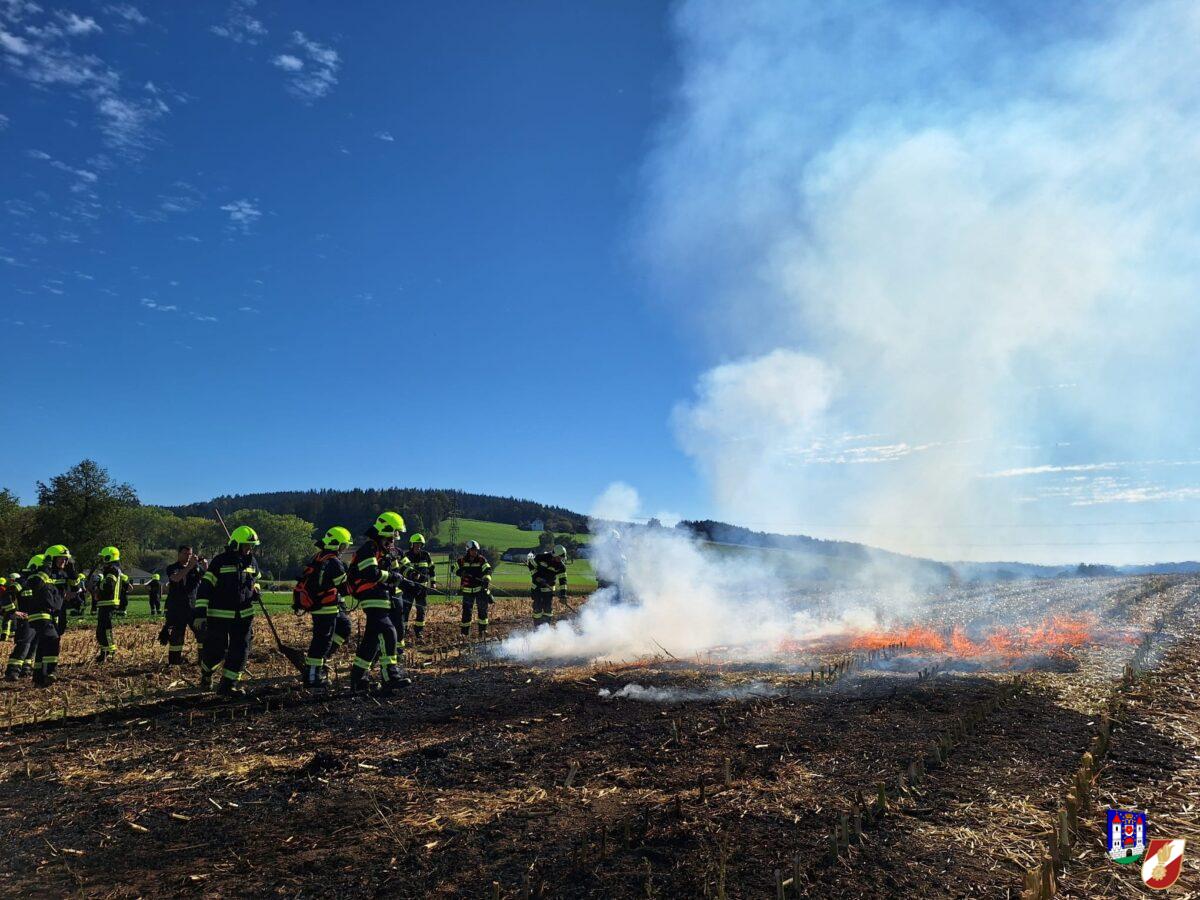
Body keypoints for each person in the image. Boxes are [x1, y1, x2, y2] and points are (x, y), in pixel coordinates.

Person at [345, 512, 409, 694]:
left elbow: (392, 572)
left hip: (380, 595)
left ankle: (359, 679)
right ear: (384, 531)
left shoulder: (382, 550)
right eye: (393, 534)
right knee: (389, 631)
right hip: (371, 595)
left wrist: (406, 581)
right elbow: (371, 573)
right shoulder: (368, 549)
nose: (394, 539)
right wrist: (392, 576)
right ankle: (390, 676)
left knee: (371, 640)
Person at [195, 526, 263, 696]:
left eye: (251, 546)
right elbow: (205, 588)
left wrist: (256, 590)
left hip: (244, 616)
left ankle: (228, 685)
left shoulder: (252, 562)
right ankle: (207, 672)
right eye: (247, 546)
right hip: (219, 616)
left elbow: (255, 581)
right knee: (216, 651)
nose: (250, 549)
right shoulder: (220, 561)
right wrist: (200, 614)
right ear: (235, 544)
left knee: (241, 650)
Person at [293, 526, 353, 689]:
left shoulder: (319, 557)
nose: (344, 549)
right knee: (322, 642)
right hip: (325, 607)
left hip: (322, 605)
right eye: (344, 546)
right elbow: (345, 589)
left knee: (344, 626)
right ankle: (313, 676)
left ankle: (321, 661)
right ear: (337, 545)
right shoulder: (333, 562)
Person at [25, 548, 68, 686]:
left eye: (66, 559)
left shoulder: (49, 578)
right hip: (41, 614)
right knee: (52, 639)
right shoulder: (37, 576)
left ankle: (38, 677)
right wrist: (45, 570)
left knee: (43, 645)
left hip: (45, 614)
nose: (64, 561)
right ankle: (51, 671)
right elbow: (37, 586)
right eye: (62, 558)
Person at [162, 546, 203, 665]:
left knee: (202, 632)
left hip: (192, 607)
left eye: (190, 554)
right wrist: (190, 566)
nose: (188, 556)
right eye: (185, 554)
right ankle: (175, 662)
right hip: (177, 608)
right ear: (179, 554)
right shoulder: (172, 568)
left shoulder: (196, 568)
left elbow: (207, 578)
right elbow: (176, 578)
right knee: (176, 635)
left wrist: (202, 566)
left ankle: (203, 660)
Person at [3, 557, 41, 680]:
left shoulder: (39, 582)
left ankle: (26, 668)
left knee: (34, 645)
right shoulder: (22, 581)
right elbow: (6, 595)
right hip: (25, 620)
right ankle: (12, 671)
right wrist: (13, 611)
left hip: (37, 619)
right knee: (24, 645)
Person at [397, 533, 436, 645]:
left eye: (419, 544)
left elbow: (432, 570)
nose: (417, 546)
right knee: (405, 610)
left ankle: (419, 632)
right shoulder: (406, 556)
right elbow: (402, 570)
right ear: (412, 544)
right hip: (408, 587)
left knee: (421, 611)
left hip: (422, 588)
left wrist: (433, 582)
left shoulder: (426, 555)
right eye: (416, 544)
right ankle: (403, 631)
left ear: (422, 545)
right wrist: (411, 575)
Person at [94, 546, 127, 663]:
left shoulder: (112, 569)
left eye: (103, 557)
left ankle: (110, 653)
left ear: (109, 557)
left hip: (108, 602)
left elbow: (109, 586)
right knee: (101, 630)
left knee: (105, 630)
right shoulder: (113, 569)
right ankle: (104, 652)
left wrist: (98, 589)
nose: (102, 560)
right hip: (105, 603)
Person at [453, 540, 492, 638]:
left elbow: (488, 570)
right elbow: (453, 568)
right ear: (468, 550)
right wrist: (461, 573)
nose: (474, 552)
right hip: (467, 591)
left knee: (482, 611)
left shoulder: (481, 560)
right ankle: (464, 634)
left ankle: (483, 631)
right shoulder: (462, 561)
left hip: (480, 589)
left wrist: (486, 579)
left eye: (476, 550)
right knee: (467, 613)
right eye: (472, 550)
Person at [528, 544, 569, 627]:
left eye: (561, 559)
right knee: (537, 609)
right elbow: (531, 565)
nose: (560, 560)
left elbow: (563, 581)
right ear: (554, 555)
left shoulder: (561, 567)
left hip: (549, 590)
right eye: (558, 558)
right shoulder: (541, 557)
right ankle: (537, 628)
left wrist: (563, 595)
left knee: (548, 610)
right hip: (537, 588)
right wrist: (536, 577)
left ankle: (546, 629)